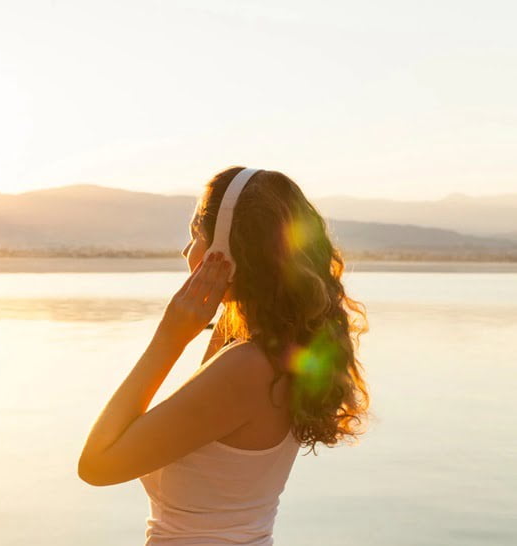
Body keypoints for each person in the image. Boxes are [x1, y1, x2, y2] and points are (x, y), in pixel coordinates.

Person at [78, 166, 371, 545]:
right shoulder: (274, 351)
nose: (186, 250)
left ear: (225, 250)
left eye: (195, 235)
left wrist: (167, 340)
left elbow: (97, 465)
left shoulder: (247, 367)